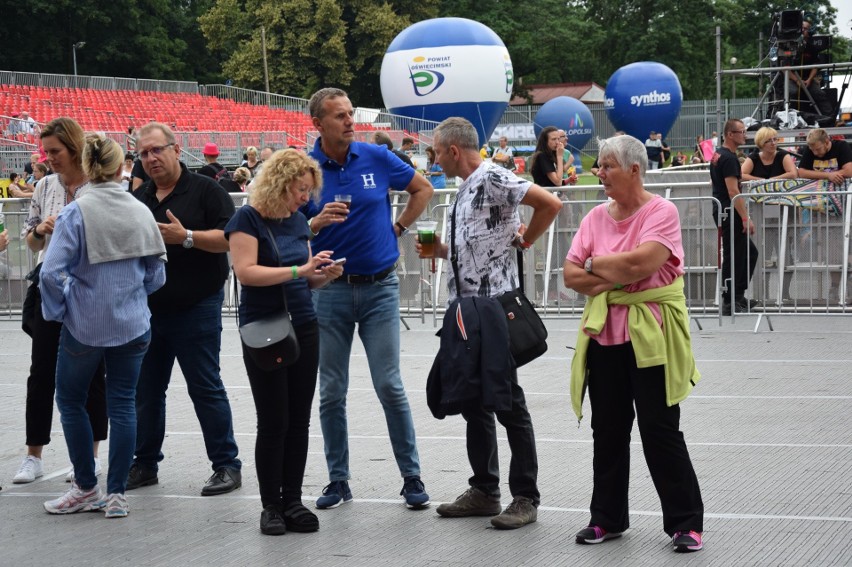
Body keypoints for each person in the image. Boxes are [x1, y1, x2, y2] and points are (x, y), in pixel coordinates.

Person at [563, 134, 704, 553]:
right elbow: (570, 275)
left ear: (634, 169)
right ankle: (606, 518)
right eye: (599, 166)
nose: (599, 173)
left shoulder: (662, 211)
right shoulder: (594, 218)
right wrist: (615, 272)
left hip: (650, 334)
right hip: (605, 335)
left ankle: (685, 523)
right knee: (606, 429)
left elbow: (644, 262)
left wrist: (595, 264)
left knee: (660, 428)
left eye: (606, 166)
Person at [423, 116, 560, 530]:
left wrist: (529, 237)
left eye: (434, 150)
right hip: (465, 310)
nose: (432, 158)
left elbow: (550, 204)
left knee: (507, 400)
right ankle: (484, 489)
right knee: (471, 400)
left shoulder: (494, 176)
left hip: (494, 308)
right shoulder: (464, 188)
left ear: (452, 150)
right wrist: (444, 252)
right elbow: (478, 246)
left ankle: (525, 496)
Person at [301, 87, 433, 510]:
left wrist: (398, 230)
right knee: (331, 390)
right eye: (338, 116)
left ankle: (411, 476)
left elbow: (423, 189)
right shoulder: (304, 169)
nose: (349, 121)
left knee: (389, 384)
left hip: (379, 288)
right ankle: (338, 480)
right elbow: (283, 222)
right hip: (329, 290)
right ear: (318, 124)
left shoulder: (375, 155)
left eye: (349, 114)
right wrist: (314, 223)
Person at [40, 134, 166, 518]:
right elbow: (157, 273)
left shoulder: (77, 212)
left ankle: (85, 485)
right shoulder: (140, 209)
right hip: (132, 322)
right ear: (120, 167)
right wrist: (134, 295)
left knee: (72, 400)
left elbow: (50, 272)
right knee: (124, 404)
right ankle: (116, 494)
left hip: (85, 323)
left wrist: (60, 309)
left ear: (89, 166)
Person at [226, 149, 344, 536]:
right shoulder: (247, 218)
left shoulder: (297, 222)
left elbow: (304, 280)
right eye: (300, 189)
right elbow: (246, 272)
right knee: (274, 420)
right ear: (280, 184)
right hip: (264, 328)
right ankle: (271, 506)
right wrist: (299, 269)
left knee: (298, 419)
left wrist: (323, 274)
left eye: (308, 191)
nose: (305, 198)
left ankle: (292, 499)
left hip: (303, 324)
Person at [128, 122, 242, 496]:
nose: (151, 158)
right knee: (146, 390)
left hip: (197, 304)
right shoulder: (141, 197)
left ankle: (226, 464)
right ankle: (144, 464)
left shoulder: (207, 189)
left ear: (177, 150)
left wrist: (187, 237)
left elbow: (229, 239)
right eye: (144, 153)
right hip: (148, 308)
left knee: (205, 387)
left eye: (157, 150)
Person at [14, 117, 108, 485]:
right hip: (49, 287)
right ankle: (33, 454)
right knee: (41, 372)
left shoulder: (97, 186)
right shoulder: (44, 186)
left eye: (55, 151)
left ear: (73, 148)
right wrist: (40, 229)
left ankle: (91, 455)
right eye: (46, 151)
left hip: (87, 289)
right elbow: (32, 242)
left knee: (91, 375)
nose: (49, 157)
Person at [710, 119, 758, 315]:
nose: (745, 135)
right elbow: (733, 191)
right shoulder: (728, 158)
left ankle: (736, 296)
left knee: (748, 253)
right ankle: (730, 301)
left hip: (724, 210)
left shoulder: (718, 155)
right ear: (730, 134)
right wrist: (745, 217)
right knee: (734, 255)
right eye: (741, 131)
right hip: (729, 211)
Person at [797, 128, 852, 302]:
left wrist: (831, 175)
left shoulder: (841, 147)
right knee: (833, 250)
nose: (816, 153)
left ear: (827, 142)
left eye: (819, 149)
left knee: (849, 247)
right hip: (826, 210)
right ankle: (834, 286)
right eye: (813, 150)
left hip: (845, 205)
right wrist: (829, 176)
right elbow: (802, 172)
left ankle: (848, 285)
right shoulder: (810, 150)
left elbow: (849, 170)